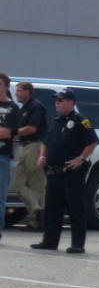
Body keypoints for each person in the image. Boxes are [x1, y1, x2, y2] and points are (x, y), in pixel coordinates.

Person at [31, 87, 99, 254]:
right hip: (53, 173)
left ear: (71, 102)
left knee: (76, 209)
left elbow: (92, 142)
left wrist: (81, 158)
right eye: (56, 100)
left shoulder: (80, 122)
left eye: (61, 100)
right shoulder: (54, 120)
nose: (57, 103)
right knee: (52, 210)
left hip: (71, 173)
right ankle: (49, 241)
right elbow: (46, 143)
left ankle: (77, 244)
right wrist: (42, 156)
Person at [13, 81, 48, 232]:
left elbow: (31, 128)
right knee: (19, 184)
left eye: (19, 91)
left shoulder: (36, 106)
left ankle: (37, 222)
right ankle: (37, 211)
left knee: (36, 185)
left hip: (35, 146)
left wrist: (13, 132)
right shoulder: (24, 108)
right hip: (25, 147)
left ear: (28, 91)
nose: (16, 93)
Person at [0, 72, 21, 242]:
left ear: (6, 87)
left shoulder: (13, 108)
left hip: (2, 157)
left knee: (0, 198)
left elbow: (6, 133)